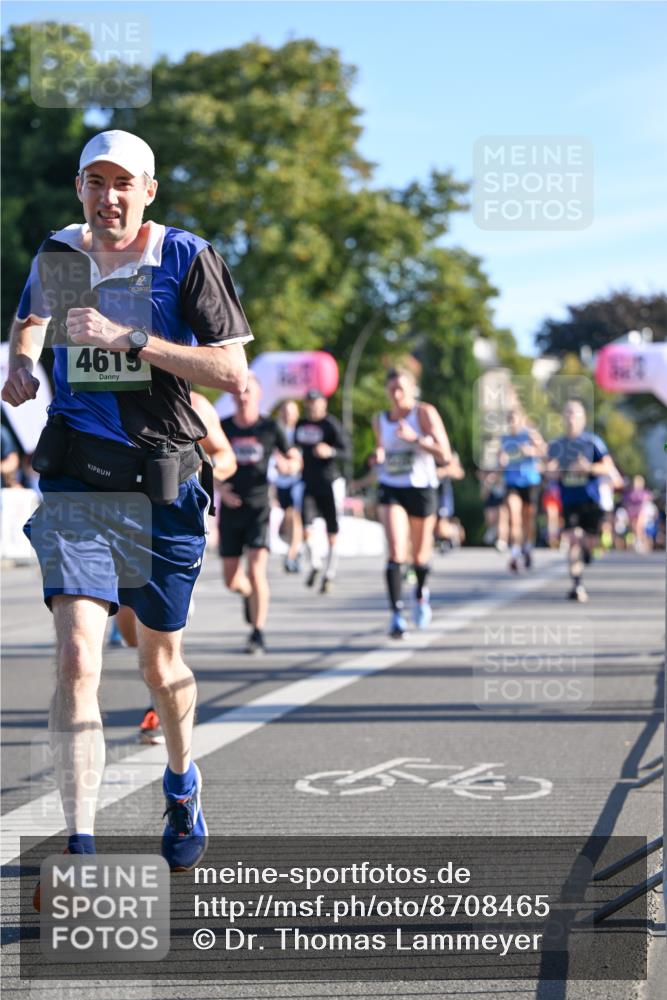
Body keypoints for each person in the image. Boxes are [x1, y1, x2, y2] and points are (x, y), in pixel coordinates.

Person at [1, 130, 251, 892]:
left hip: (161, 483)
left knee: (159, 666)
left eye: (123, 183)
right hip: (78, 480)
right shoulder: (59, 254)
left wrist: (130, 338)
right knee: (78, 658)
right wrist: (21, 362)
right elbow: (30, 318)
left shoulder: (184, 257)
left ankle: (181, 781)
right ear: (79, 187)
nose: (108, 197)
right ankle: (79, 851)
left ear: (147, 191)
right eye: (95, 181)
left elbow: (232, 370)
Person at [132, 390, 238, 744]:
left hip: (175, 527)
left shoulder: (195, 404)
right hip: (123, 521)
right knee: (131, 630)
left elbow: (226, 455)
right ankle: (161, 690)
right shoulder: (114, 391)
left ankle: (159, 709)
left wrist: (196, 467)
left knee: (164, 634)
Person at [219, 373, 301, 653]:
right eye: (239, 393)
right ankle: (247, 595)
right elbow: (203, 461)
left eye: (248, 392)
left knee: (256, 571)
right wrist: (220, 488)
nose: (243, 397)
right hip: (231, 508)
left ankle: (257, 632)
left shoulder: (269, 427)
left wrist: (289, 466)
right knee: (231, 580)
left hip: (259, 509)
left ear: (258, 395)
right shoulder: (224, 427)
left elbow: (293, 458)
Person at [373, 367, 452, 638]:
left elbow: (445, 455)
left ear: (411, 389)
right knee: (396, 551)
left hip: (421, 488)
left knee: (419, 556)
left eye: (401, 389)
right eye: (391, 389)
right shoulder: (380, 419)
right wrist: (378, 456)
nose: (396, 395)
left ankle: (420, 594)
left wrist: (416, 439)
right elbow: (381, 448)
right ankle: (396, 616)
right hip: (391, 487)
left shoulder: (424, 413)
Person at [546, 399, 615, 602]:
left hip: (591, 500)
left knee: (589, 541)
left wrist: (588, 468)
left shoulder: (592, 442)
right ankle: (577, 585)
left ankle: (589, 549)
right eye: (567, 413)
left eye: (574, 414)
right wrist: (556, 471)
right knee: (573, 539)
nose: (570, 418)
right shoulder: (557, 445)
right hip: (569, 501)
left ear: (583, 419)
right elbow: (548, 470)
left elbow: (608, 467)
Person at [295, 389, 350, 594]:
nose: (312, 406)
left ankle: (329, 574)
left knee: (331, 529)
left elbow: (347, 451)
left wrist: (330, 451)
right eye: (309, 402)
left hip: (330, 482)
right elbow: (295, 448)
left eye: (316, 402)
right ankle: (315, 564)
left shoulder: (331, 425)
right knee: (306, 527)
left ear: (324, 403)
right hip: (308, 482)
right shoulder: (301, 424)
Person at [498, 408, 546, 572]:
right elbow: (500, 459)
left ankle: (527, 547)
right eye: (509, 419)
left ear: (521, 420)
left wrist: (530, 451)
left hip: (530, 481)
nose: (512, 422)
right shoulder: (504, 439)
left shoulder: (530, 435)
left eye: (514, 419)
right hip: (512, 482)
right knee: (514, 516)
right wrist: (501, 462)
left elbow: (545, 451)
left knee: (528, 519)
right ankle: (515, 553)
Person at [274, 399, 304, 573]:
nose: (288, 415)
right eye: (285, 411)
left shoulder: (300, 432)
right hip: (279, 481)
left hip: (297, 481)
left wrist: (291, 466)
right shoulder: (274, 430)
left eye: (291, 412)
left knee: (294, 515)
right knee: (286, 518)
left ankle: (291, 554)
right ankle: (296, 549)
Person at [435, 450, 465, 553]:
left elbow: (459, 472)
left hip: (443, 494)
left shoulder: (449, 453)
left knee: (441, 524)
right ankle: (447, 539)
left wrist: (444, 471)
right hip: (429, 493)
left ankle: (454, 533)